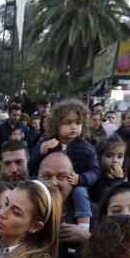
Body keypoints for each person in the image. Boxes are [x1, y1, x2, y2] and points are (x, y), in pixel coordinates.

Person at [29, 99, 99, 232]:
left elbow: (94, 171)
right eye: (68, 123)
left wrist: (81, 179)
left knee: (80, 193)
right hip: (48, 184)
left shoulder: (86, 147)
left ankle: (83, 226)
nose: (74, 127)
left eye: (78, 123)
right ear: (56, 124)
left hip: (74, 185)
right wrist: (40, 152)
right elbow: (31, 166)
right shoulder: (47, 142)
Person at [36, 152, 96, 258]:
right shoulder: (25, 209)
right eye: (47, 176)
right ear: (37, 178)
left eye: (61, 177)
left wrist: (88, 238)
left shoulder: (92, 212)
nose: (54, 182)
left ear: (73, 179)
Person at [89, 136, 126, 202]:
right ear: (99, 157)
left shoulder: (124, 175)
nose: (115, 160)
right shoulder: (97, 177)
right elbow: (111, 198)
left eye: (119, 157)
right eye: (109, 156)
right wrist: (118, 180)